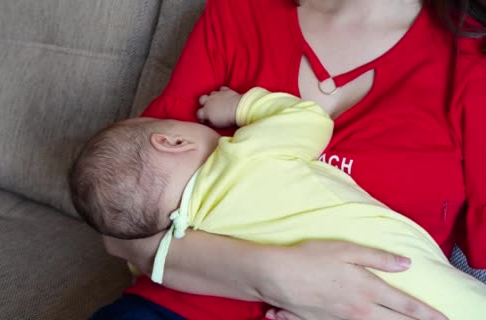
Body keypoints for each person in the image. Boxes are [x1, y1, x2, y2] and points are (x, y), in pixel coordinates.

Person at [99, 1, 486, 319]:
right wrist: (275, 275)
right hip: (180, 308)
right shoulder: (238, 13)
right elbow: (116, 219)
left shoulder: (471, 59)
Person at [71, 87, 486, 320]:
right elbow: (308, 120)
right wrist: (242, 106)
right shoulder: (242, 155)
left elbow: (135, 252)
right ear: (173, 140)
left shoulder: (187, 228)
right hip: (399, 272)